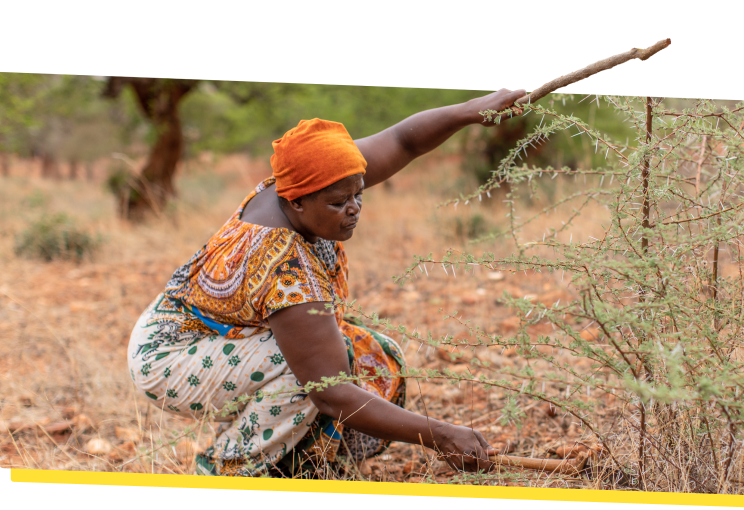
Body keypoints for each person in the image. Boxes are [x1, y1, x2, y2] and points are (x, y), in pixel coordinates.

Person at [126, 87, 528, 477]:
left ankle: (306, 461)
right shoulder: (284, 268)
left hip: (217, 338)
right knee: (313, 371)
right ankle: (228, 467)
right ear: (296, 201)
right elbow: (330, 390)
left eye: (358, 195)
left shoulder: (310, 178)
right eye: (338, 203)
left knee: (374, 353)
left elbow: (403, 142)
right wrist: (440, 434)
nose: (353, 209)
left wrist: (472, 110)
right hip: (171, 358)